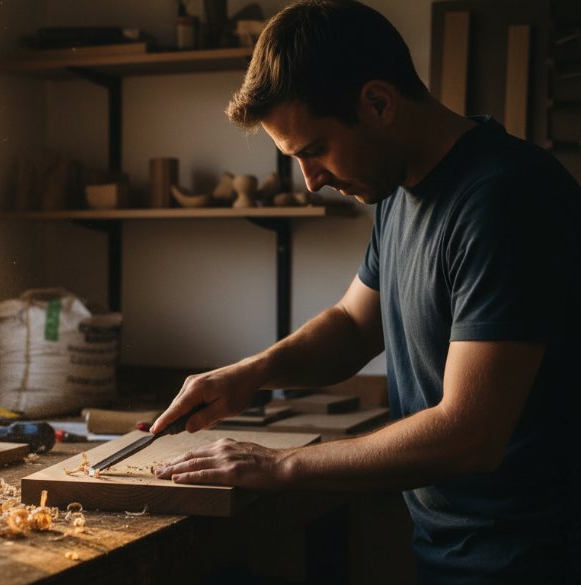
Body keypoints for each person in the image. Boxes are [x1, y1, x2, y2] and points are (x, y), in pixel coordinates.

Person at [148, 0, 581, 582]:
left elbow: (471, 433)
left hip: (528, 560)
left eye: (314, 150)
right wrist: (252, 372)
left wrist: (282, 467)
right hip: (453, 551)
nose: (312, 181)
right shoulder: (398, 188)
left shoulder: (504, 199)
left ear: (378, 103)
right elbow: (355, 325)